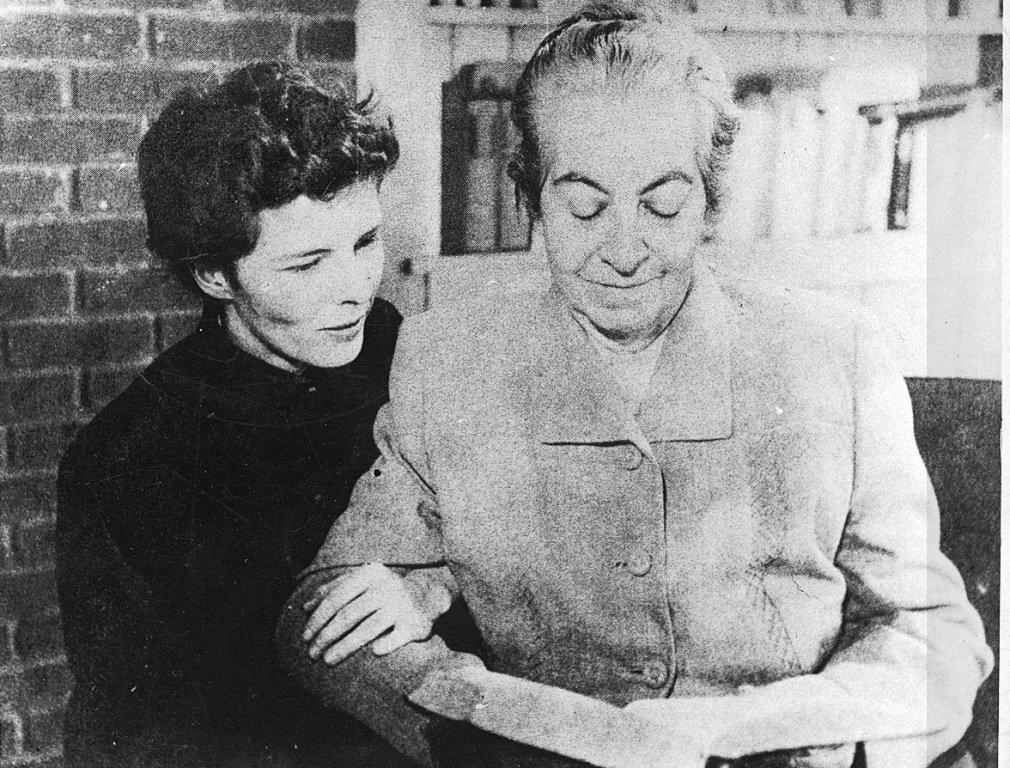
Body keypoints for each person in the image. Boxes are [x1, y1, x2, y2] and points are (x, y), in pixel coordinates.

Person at [277, 5, 993, 768]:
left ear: (710, 201)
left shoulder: (834, 354)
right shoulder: (450, 361)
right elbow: (319, 616)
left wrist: (762, 735)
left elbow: (931, 633)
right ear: (532, 198)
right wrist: (510, 721)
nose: (623, 251)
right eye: (584, 206)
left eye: (663, 204)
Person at [56, 62, 453, 768]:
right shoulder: (126, 462)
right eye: (306, 265)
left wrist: (432, 587)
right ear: (215, 274)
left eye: (365, 242)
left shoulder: (412, 358)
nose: (355, 290)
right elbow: (129, 735)